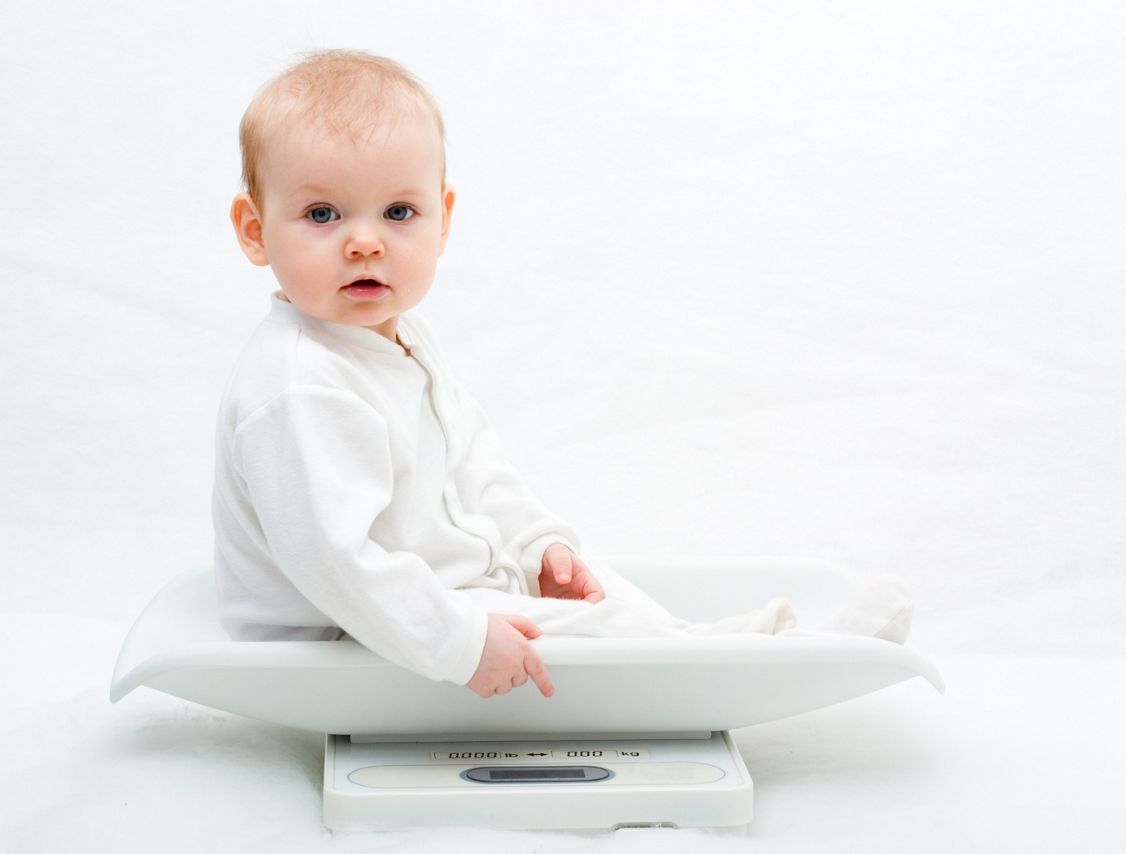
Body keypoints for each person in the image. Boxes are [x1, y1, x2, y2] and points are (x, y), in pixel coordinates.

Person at [213, 49, 912, 701]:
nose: (364, 240)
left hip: (435, 594)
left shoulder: (395, 341)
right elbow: (337, 564)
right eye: (321, 214)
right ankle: (771, 664)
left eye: (399, 212)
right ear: (254, 230)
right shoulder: (299, 386)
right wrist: (457, 640)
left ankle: (725, 648)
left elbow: (472, 465)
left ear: (443, 219)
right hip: (350, 633)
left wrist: (536, 544)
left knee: (598, 594)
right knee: (580, 634)